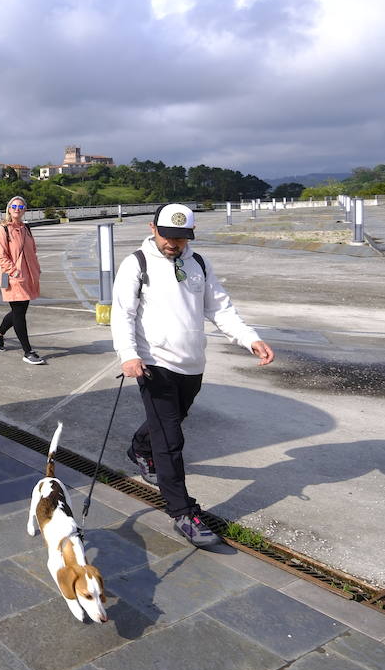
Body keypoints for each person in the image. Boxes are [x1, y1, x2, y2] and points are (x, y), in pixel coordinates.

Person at [111, 203, 275, 546]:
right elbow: (122, 314)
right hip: (154, 363)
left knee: (170, 423)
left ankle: (141, 448)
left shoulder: (197, 263)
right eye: (168, 235)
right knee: (170, 441)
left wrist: (250, 338)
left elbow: (219, 308)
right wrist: (129, 355)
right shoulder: (136, 265)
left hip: (192, 364)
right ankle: (183, 512)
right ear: (152, 228)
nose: (174, 243)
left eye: (182, 237)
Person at [0, 196, 46, 365]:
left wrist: (36, 269)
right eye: (14, 206)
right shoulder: (3, 229)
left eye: (20, 206)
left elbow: (32, 251)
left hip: (28, 276)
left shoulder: (26, 228)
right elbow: (0, 256)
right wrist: (15, 272)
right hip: (12, 276)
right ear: (9, 208)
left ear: (25, 210)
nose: (17, 209)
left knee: (18, 311)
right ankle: (28, 351)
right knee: (19, 312)